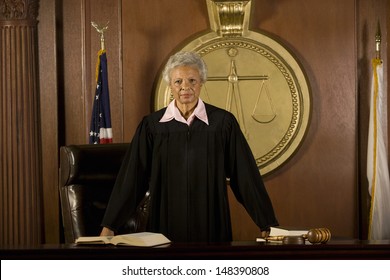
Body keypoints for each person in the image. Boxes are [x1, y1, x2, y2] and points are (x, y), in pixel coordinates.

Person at [100, 51, 278, 242]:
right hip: (164, 227)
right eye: (178, 82)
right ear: (170, 85)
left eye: (192, 80)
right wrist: (110, 226)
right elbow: (132, 179)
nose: (185, 87)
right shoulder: (152, 126)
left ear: (202, 82)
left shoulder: (223, 124)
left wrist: (267, 223)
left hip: (212, 226)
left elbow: (245, 176)